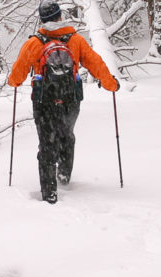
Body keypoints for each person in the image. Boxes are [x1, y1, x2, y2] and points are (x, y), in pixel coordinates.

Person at [8, 0, 120, 204]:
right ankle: (64, 176)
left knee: (47, 144)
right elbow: (95, 62)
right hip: (70, 100)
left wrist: (13, 81)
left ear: (42, 20)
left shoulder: (34, 43)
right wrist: (110, 84)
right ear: (60, 17)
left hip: (44, 101)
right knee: (66, 135)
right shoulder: (76, 40)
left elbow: (16, 76)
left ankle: (50, 193)